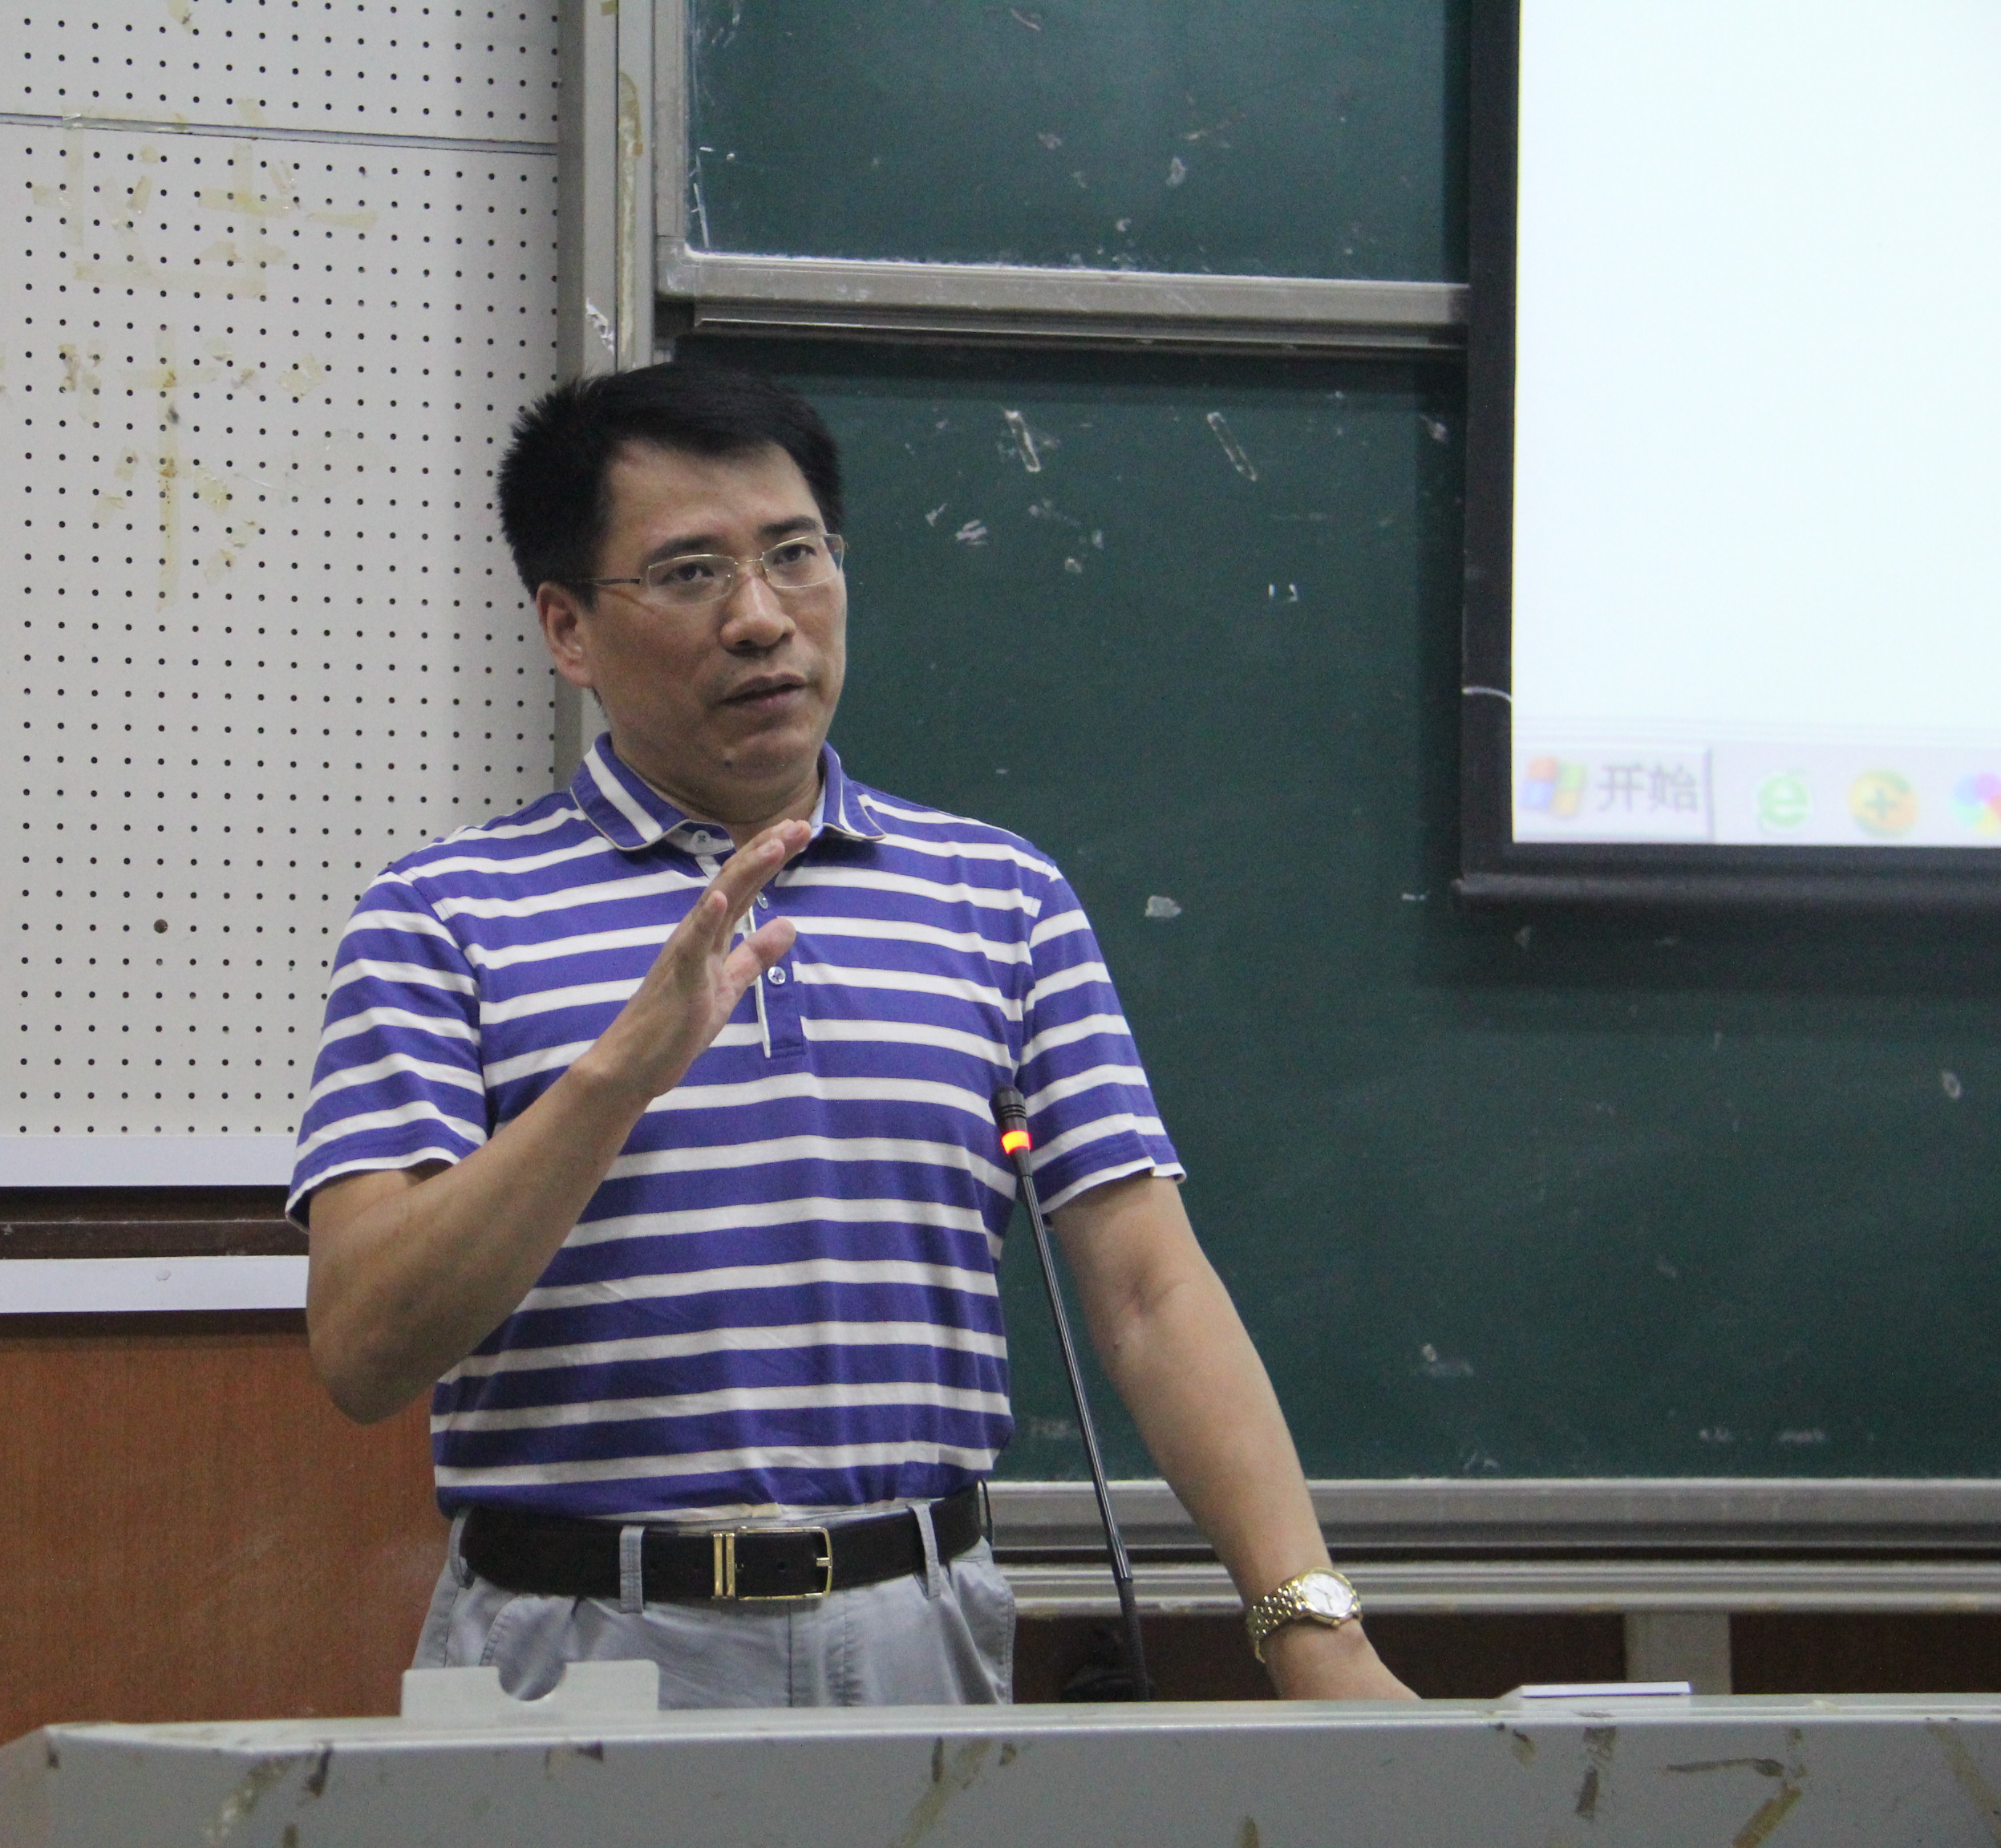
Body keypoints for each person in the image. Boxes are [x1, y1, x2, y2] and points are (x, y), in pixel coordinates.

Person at [289, 359, 1412, 1708]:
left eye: (795, 555)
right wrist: (615, 1079)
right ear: (569, 628)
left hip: (915, 1629)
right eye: (692, 572)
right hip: (575, 1640)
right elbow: (365, 1349)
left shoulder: (998, 899)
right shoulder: (441, 916)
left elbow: (1149, 1292)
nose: (762, 618)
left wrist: (1311, 1623)